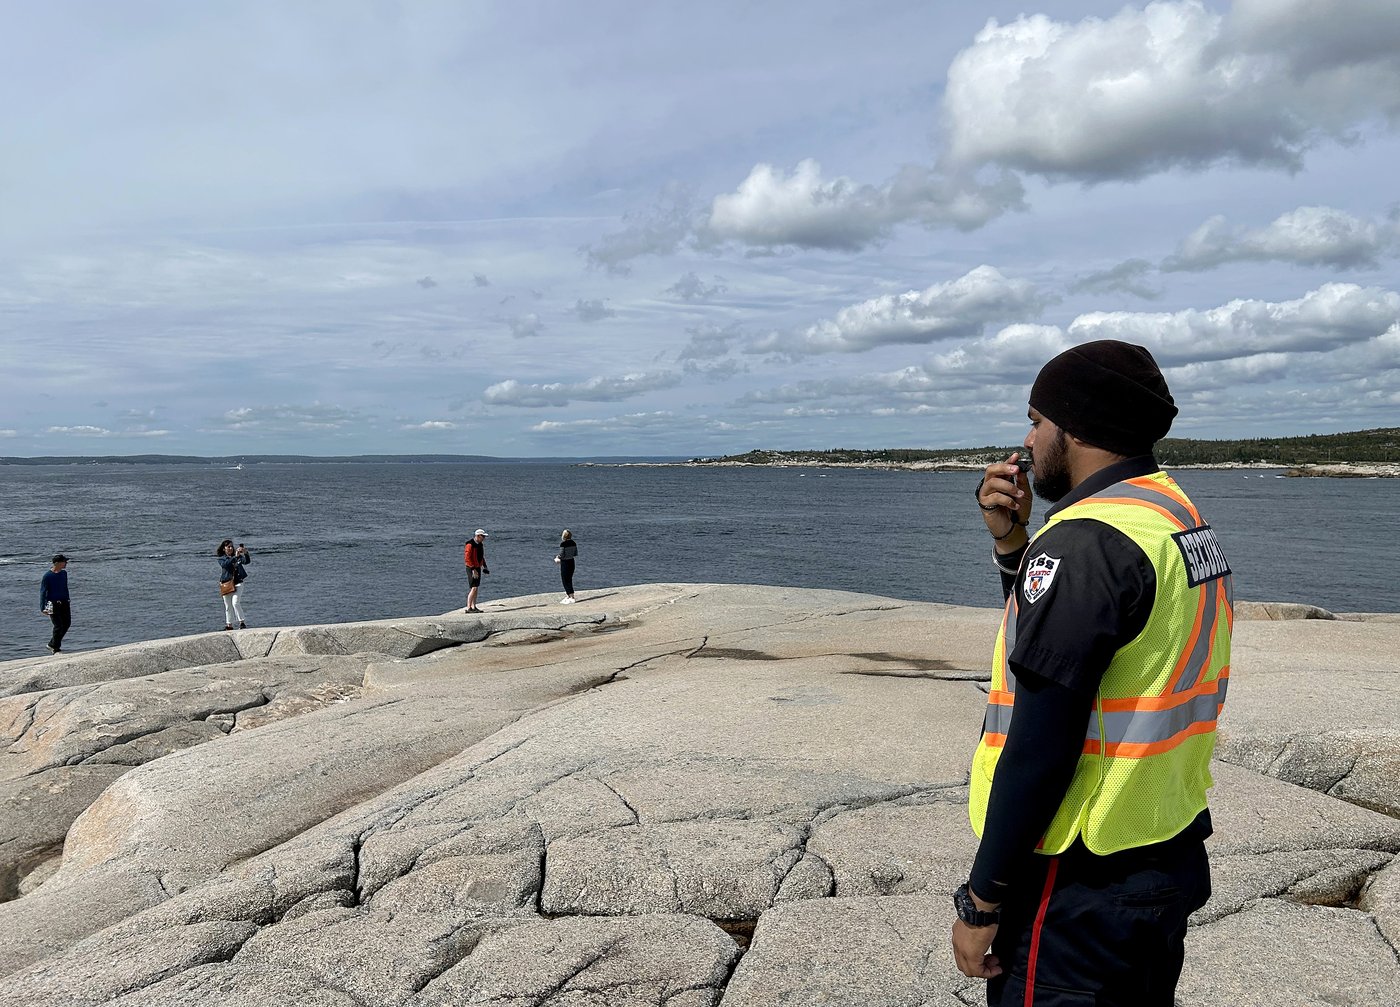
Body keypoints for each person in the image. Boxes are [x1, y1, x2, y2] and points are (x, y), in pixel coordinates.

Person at [953, 340, 1233, 1005]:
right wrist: (1011, 544)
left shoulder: (1084, 543)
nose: (1026, 440)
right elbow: (1075, 649)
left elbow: (1040, 747)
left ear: (1072, 426)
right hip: (1161, 847)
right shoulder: (1176, 517)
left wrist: (981, 900)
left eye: (1036, 420)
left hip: (1078, 882)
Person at [39, 554, 71, 654]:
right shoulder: (47, 576)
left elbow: (65, 588)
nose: (66, 563)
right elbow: (43, 592)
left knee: (67, 624)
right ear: (57, 563)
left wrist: (68, 599)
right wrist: (43, 607)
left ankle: (52, 644)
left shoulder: (64, 574)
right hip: (52, 604)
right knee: (58, 626)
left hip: (65, 602)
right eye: (64, 562)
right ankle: (55, 647)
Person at [216, 540, 251, 630]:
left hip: (238, 582)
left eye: (232, 546)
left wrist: (245, 553)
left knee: (235, 603)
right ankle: (229, 625)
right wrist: (235, 557)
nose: (231, 548)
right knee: (228, 606)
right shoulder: (221, 558)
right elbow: (226, 565)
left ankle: (242, 622)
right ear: (224, 549)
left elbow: (246, 561)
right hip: (226, 584)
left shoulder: (237, 556)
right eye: (228, 547)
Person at [463, 529, 490, 612]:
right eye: (483, 536)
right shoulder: (470, 544)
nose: (484, 538)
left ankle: (474, 606)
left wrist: (485, 566)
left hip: (477, 567)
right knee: (474, 587)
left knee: (476, 587)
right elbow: (467, 558)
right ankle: (468, 607)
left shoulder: (480, 544)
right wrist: (473, 569)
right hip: (471, 568)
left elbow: (481, 556)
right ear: (478, 536)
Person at [554, 529, 578, 603]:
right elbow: (575, 553)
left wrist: (557, 557)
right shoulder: (574, 543)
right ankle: (571, 595)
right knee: (569, 578)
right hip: (571, 561)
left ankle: (569, 595)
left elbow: (562, 554)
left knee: (565, 579)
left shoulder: (563, 544)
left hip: (565, 563)